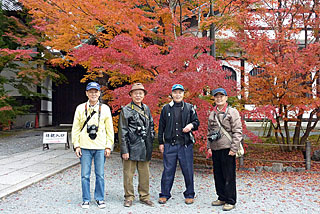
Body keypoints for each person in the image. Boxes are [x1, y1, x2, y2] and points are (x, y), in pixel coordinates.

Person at [71, 82, 114, 209]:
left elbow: (109, 129)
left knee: (100, 174)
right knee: (85, 175)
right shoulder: (80, 108)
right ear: (86, 93)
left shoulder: (105, 109)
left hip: (100, 146)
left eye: (96, 91)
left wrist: (108, 146)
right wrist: (76, 145)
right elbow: (76, 128)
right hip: (84, 146)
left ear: (99, 93)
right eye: (91, 91)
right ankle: (86, 199)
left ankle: (100, 198)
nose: (93, 94)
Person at [158, 84, 200, 205]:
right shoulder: (166, 108)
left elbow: (196, 122)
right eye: (175, 92)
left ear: (183, 94)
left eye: (180, 92)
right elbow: (161, 127)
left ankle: (190, 194)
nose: (177, 95)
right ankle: (164, 194)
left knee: (188, 171)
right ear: (171, 94)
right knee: (167, 171)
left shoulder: (189, 107)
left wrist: (191, 126)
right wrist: (161, 142)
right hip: (170, 145)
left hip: (185, 145)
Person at [118, 83, 155, 207]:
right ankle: (129, 196)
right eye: (135, 93)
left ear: (144, 95)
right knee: (128, 174)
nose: (138, 95)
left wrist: (151, 138)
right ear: (131, 95)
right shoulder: (126, 110)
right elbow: (122, 130)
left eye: (140, 93)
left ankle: (144, 196)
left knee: (145, 174)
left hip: (144, 145)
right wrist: (124, 149)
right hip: (131, 145)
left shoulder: (147, 109)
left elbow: (151, 125)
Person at [207, 88, 242, 211]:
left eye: (221, 96)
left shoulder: (232, 112)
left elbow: (238, 131)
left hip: (228, 148)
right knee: (218, 175)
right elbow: (209, 132)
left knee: (229, 175)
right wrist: (208, 147)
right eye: (216, 96)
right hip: (215, 148)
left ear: (226, 98)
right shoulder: (212, 113)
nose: (219, 98)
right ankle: (221, 196)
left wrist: (234, 148)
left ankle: (230, 200)